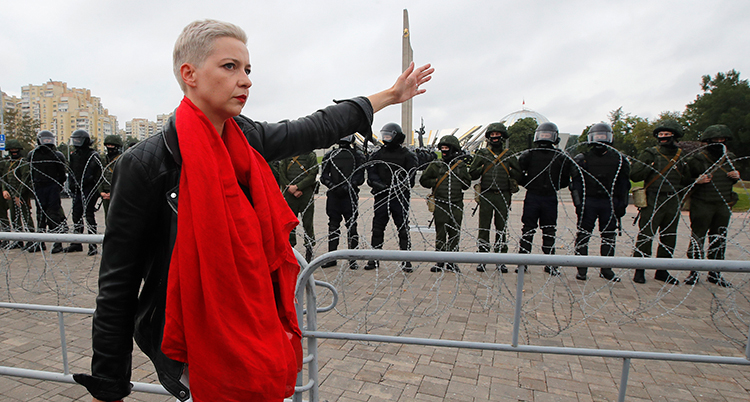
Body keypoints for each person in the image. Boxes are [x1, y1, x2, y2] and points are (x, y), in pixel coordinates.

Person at [72, 19, 433, 402]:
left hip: (259, 320)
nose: (245, 80)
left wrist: (388, 96)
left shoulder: (246, 138)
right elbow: (117, 282)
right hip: (196, 334)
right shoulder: (147, 164)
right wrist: (108, 385)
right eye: (230, 67)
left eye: (247, 69)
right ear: (189, 74)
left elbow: (315, 127)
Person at [630, 120, 691, 284]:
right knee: (646, 235)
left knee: (669, 237)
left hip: (673, 199)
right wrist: (649, 168)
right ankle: (640, 268)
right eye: (661, 134)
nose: (663, 137)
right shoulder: (650, 153)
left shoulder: (682, 155)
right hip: (653, 198)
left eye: (667, 134)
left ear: (675, 135)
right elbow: (635, 175)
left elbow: (688, 177)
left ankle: (662, 271)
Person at [570, 123, 630, 282]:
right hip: (589, 201)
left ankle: (606, 268)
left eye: (603, 137)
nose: (600, 141)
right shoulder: (582, 159)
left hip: (609, 202)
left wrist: (621, 205)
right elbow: (575, 184)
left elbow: (624, 185)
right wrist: (579, 203)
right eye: (598, 137)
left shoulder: (619, 159)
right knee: (583, 235)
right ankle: (581, 269)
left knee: (609, 236)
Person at [683, 125, 738, 287]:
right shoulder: (698, 159)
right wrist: (697, 181)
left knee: (719, 238)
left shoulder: (730, 158)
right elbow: (685, 180)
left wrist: (735, 176)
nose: (719, 143)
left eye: (722, 140)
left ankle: (715, 272)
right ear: (708, 141)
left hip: (722, 204)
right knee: (698, 237)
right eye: (715, 140)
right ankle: (693, 271)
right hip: (703, 203)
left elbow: (733, 177)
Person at [516, 122, 571, 276]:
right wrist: (529, 184)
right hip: (533, 195)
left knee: (549, 230)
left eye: (548, 135)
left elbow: (566, 178)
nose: (545, 138)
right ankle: (523, 261)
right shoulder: (529, 155)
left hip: (549, 197)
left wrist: (553, 186)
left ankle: (550, 263)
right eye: (543, 135)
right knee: (528, 229)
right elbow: (518, 173)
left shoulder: (560, 157)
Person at [468, 122, 522, 273]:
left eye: (497, 135)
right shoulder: (482, 154)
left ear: (502, 136)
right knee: (484, 227)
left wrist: (511, 171)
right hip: (486, 194)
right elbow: (472, 173)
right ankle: (482, 258)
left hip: (503, 195)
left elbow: (519, 175)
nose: (495, 137)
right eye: (492, 135)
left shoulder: (509, 155)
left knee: (501, 228)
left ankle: (500, 259)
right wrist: (482, 167)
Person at [365, 123, 418, 272]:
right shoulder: (378, 154)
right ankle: (374, 258)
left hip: (399, 197)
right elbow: (371, 173)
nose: (386, 138)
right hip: (382, 195)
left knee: (402, 228)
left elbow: (411, 176)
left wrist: (398, 186)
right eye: (384, 135)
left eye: (388, 136)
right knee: (377, 227)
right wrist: (380, 185)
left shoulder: (407, 155)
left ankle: (406, 260)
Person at [420, 134, 471, 273]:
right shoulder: (436, 165)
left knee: (454, 232)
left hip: (456, 204)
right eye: (442, 148)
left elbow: (467, 185)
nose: (444, 150)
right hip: (441, 203)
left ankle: (452, 261)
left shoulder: (460, 167)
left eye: (447, 148)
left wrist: (460, 176)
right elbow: (423, 181)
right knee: (440, 233)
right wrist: (435, 182)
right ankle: (440, 260)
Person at [319, 134, 366, 270]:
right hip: (334, 195)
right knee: (333, 226)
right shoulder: (330, 155)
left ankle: (352, 259)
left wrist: (349, 185)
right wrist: (332, 185)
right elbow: (324, 175)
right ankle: (332, 257)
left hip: (349, 195)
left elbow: (360, 176)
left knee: (351, 227)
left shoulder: (357, 156)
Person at [27, 130, 68, 254]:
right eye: (45, 139)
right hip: (39, 186)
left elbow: (62, 173)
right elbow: (29, 171)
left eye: (49, 139)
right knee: (40, 215)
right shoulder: (33, 154)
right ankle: (40, 242)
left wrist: (58, 185)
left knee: (53, 215)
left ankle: (57, 242)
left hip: (52, 186)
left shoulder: (57, 155)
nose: (47, 141)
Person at [65, 129, 103, 256]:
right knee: (76, 215)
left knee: (89, 215)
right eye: (74, 140)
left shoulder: (93, 155)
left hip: (89, 189)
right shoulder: (74, 155)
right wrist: (71, 185)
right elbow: (71, 171)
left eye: (78, 140)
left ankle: (92, 245)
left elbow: (99, 175)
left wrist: (97, 191)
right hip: (77, 189)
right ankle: (76, 242)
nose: (76, 142)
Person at [279, 151, 318, 261]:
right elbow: (281, 174)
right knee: (290, 224)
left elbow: (312, 175)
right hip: (291, 194)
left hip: (305, 194)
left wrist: (297, 187)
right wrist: (291, 189)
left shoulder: (310, 154)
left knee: (308, 223)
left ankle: (309, 251)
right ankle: (290, 250)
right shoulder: (287, 154)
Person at [2, 139, 34, 249]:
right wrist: (4, 190)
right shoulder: (7, 163)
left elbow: (25, 179)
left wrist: (18, 194)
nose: (14, 151)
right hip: (10, 193)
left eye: (16, 149)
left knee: (26, 216)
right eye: (12, 149)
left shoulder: (23, 162)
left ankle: (32, 240)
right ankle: (18, 240)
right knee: (14, 217)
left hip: (22, 194)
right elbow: (4, 178)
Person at [99, 134, 124, 219]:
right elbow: (100, 177)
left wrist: (113, 192)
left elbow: (123, 178)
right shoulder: (104, 160)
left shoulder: (122, 159)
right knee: (108, 217)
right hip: (105, 194)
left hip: (117, 193)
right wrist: (101, 192)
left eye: (112, 145)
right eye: (108, 145)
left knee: (117, 217)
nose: (110, 147)